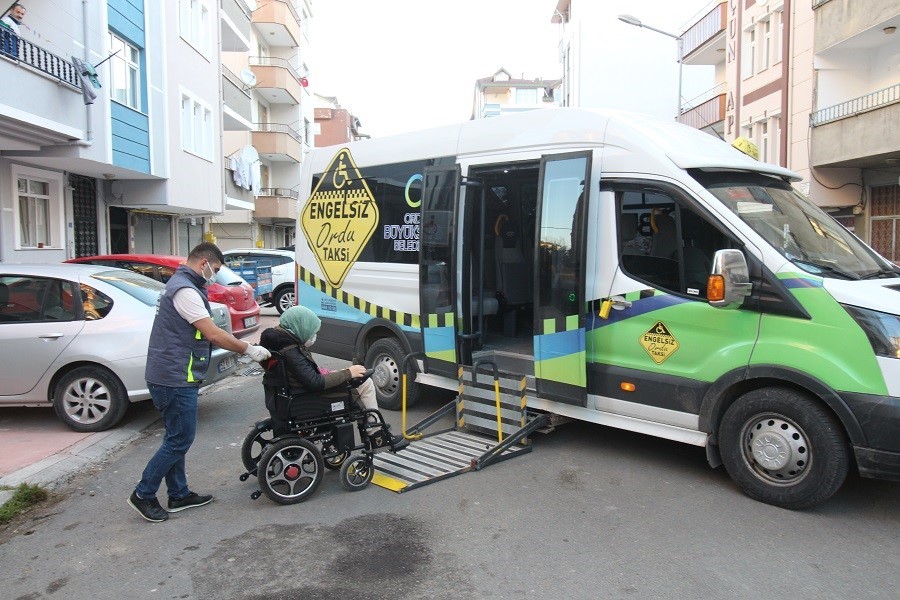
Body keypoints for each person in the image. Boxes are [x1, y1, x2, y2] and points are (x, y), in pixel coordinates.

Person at [128, 242, 272, 523]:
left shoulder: (183, 285)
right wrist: (248, 350)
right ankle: (143, 494)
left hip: (173, 374)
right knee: (180, 439)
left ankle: (178, 494)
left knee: (175, 438)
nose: (215, 275)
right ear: (204, 262)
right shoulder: (184, 290)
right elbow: (212, 334)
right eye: (215, 269)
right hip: (174, 377)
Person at [258, 305, 406, 448]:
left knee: (351, 374)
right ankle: (376, 434)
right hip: (307, 397)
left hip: (287, 395)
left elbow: (304, 375)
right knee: (364, 382)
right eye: (311, 332)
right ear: (300, 327)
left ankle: (373, 427)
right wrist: (349, 373)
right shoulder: (291, 351)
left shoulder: (276, 344)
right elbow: (315, 382)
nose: (312, 337)